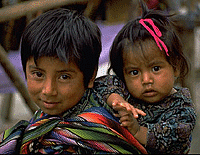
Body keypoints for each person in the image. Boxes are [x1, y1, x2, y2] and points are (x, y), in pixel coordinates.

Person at [0, 8, 147, 154]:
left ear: (90, 77)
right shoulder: (41, 123)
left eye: (64, 77)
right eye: (38, 74)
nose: (48, 90)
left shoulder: (100, 127)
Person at [94, 0, 196, 154]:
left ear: (175, 68)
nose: (146, 80)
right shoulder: (126, 92)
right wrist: (117, 100)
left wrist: (137, 131)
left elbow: (175, 135)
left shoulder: (182, 107)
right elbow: (103, 83)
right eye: (134, 72)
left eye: (156, 69)